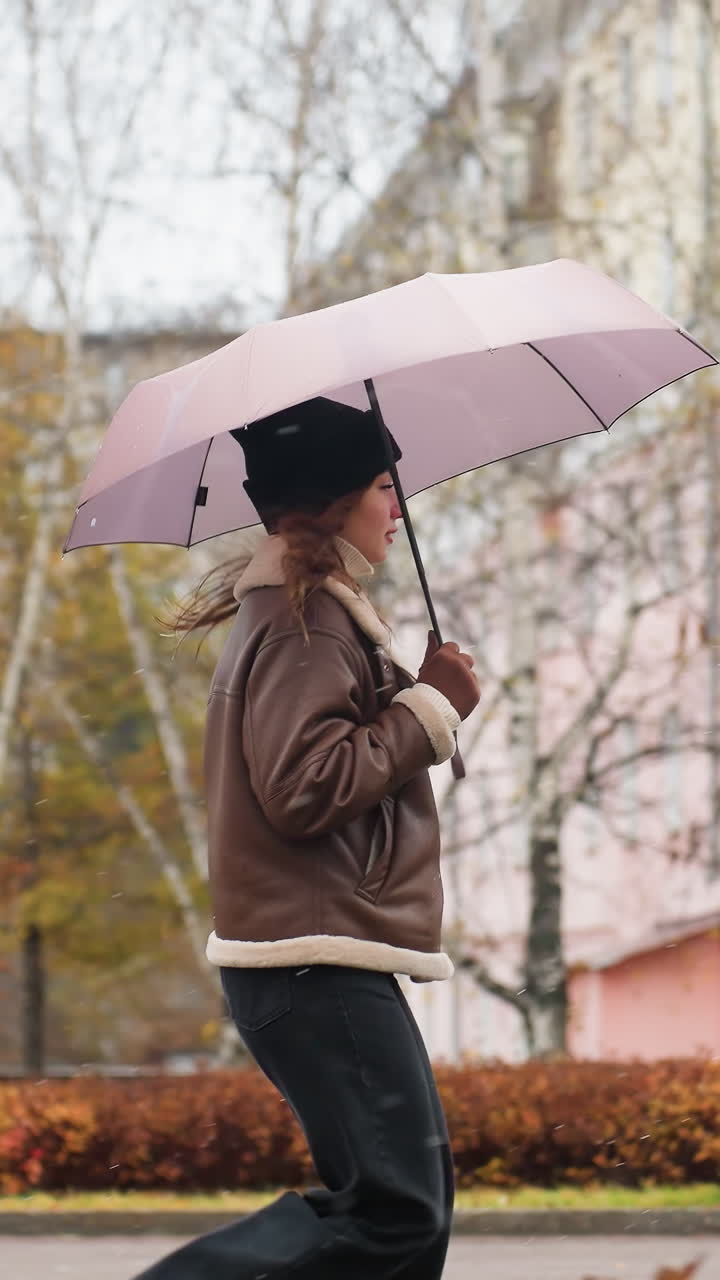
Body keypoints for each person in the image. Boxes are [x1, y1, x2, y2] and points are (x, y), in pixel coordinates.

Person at [133, 397, 480, 1280]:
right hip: (312, 962)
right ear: (334, 500)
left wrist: (417, 704)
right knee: (396, 1213)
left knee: (404, 1200)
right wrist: (431, 706)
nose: (397, 504)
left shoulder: (303, 614)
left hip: (311, 961)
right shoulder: (305, 620)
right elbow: (304, 786)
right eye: (381, 484)